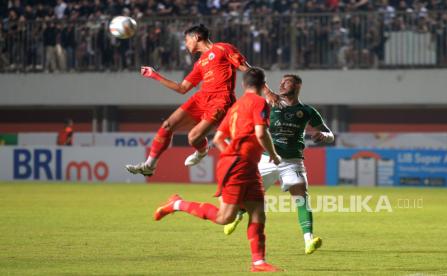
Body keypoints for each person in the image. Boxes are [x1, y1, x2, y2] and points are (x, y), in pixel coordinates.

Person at [152, 68, 283, 272]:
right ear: (263, 84)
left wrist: (233, 154)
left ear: (243, 84)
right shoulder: (260, 103)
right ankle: (176, 203)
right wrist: (273, 155)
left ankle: (258, 262)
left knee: (258, 211)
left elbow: (218, 139)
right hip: (239, 166)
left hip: (243, 165)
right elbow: (261, 133)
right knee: (225, 218)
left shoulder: (236, 107)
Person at [223, 74, 334, 255]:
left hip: (292, 161)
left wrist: (324, 136)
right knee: (248, 195)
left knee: (301, 195)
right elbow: (255, 79)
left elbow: (330, 134)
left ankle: (309, 239)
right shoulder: (269, 104)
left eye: (287, 81)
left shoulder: (307, 111)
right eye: (281, 82)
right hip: (265, 159)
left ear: (298, 85)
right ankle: (238, 215)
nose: (282, 84)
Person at [126, 24, 250, 177]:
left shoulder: (223, 48)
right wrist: (155, 75)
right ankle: (149, 166)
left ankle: (202, 152)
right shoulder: (200, 63)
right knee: (167, 125)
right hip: (201, 98)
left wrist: (265, 90)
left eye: (186, 40)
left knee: (193, 137)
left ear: (196, 37)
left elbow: (247, 69)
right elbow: (182, 88)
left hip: (220, 100)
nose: (185, 44)